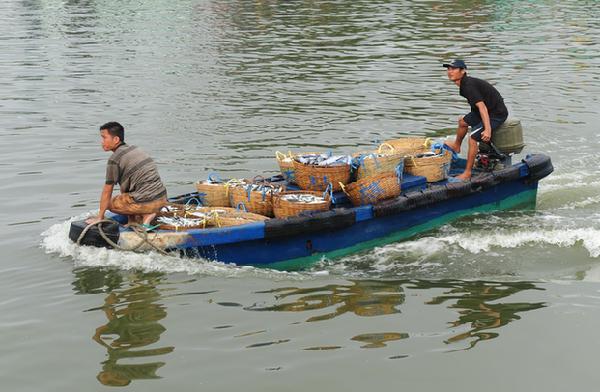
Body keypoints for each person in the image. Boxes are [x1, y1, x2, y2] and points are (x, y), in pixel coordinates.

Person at [86, 122, 167, 228]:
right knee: (128, 196)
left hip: (148, 201)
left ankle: (147, 214)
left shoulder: (114, 159)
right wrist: (130, 220)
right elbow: (127, 190)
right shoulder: (135, 149)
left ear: (116, 139)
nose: (102, 142)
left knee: (109, 204)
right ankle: (146, 214)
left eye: (104, 138)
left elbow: (107, 191)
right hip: (162, 198)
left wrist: (100, 217)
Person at [442, 59, 508, 180]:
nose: (449, 72)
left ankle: (467, 173)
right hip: (484, 110)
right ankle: (457, 146)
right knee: (462, 122)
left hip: (496, 113)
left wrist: (487, 129)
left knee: (473, 138)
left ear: (463, 71)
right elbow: (479, 107)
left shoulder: (468, 86)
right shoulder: (464, 84)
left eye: (453, 69)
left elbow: (482, 107)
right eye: (448, 69)